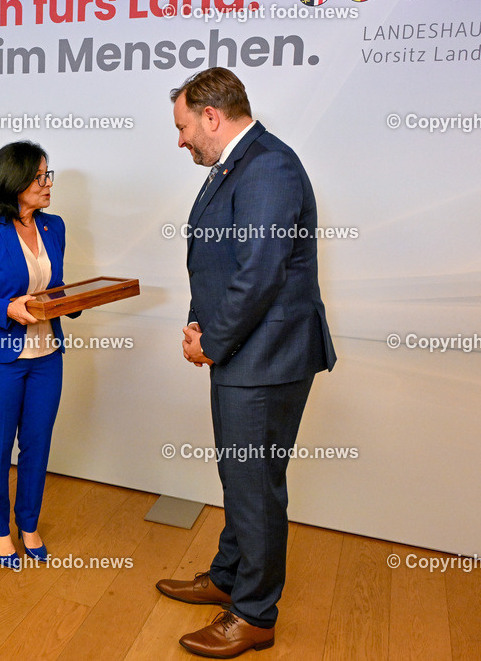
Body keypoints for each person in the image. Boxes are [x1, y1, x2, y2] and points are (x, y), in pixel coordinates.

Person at [157, 67, 336, 657]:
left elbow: (257, 275)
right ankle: (229, 575)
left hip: (266, 356)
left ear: (212, 116)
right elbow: (217, 261)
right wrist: (201, 326)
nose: (180, 139)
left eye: (184, 127)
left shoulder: (269, 167)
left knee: (255, 485)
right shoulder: (237, 163)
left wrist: (211, 341)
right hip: (244, 350)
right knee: (242, 475)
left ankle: (255, 614)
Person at [0, 141, 75, 570]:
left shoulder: (54, 226)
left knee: (38, 445)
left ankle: (29, 524)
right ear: (15, 181)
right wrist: (6, 309)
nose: (47, 184)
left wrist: (72, 301)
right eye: (40, 177)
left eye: (47, 175)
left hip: (47, 355)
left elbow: (53, 285)